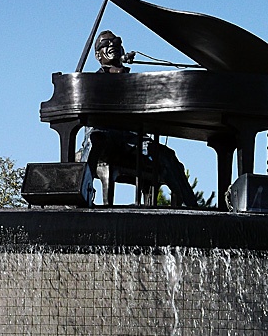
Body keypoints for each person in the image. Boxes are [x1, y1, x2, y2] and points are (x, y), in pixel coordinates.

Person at [81, 30, 197, 207]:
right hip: (104, 136)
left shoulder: (136, 81)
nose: (112, 44)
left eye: (116, 41)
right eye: (105, 44)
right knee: (95, 140)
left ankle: (192, 209)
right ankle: (78, 199)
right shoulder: (91, 81)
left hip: (131, 138)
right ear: (98, 55)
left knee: (167, 156)